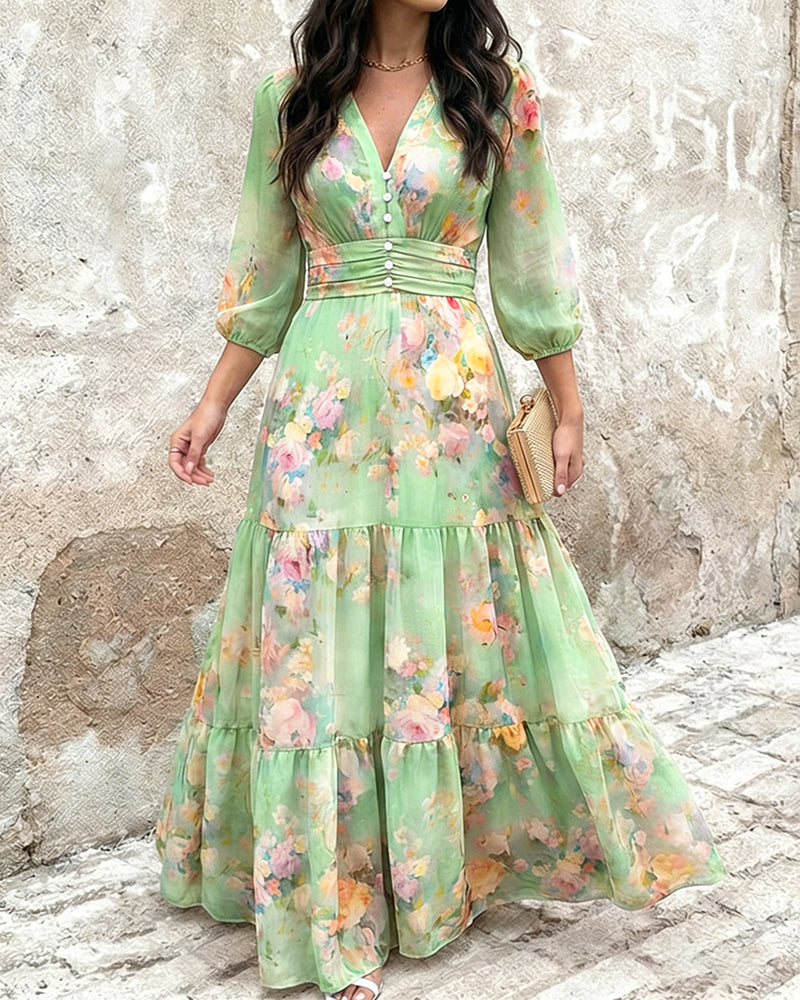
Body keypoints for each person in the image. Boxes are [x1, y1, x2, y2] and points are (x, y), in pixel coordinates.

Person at [154, 2, 727, 998]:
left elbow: (532, 262)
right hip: (321, 415)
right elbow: (266, 276)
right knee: (317, 646)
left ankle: (445, 865)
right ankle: (332, 901)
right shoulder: (289, 101)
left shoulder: (496, 98)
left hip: (452, 417)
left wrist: (566, 406)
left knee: (446, 634)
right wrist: (211, 405)